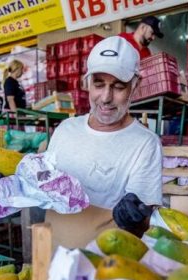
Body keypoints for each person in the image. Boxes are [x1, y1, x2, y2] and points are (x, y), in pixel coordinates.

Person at [45, 36, 162, 234]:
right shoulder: (65, 129)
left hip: (106, 261)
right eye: (99, 84)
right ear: (87, 83)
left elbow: (144, 222)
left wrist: (136, 219)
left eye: (118, 86)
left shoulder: (145, 144)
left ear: (135, 86)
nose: (106, 98)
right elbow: (43, 185)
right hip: (52, 256)